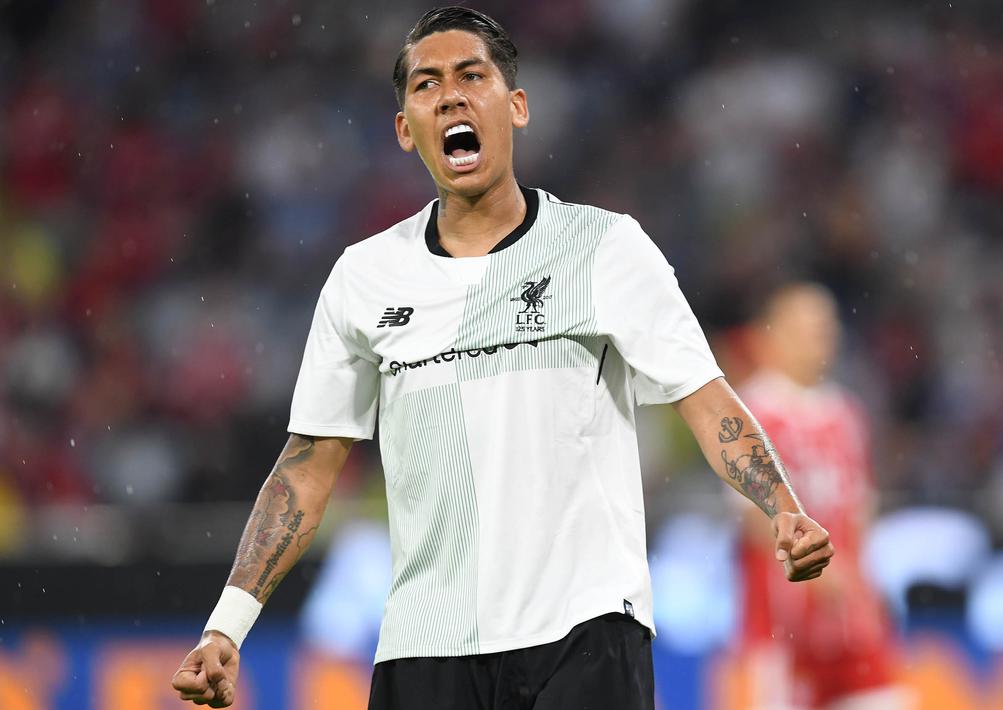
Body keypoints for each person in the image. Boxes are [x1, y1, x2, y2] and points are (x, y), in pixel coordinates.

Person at [170, 7, 833, 709]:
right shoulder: (363, 279)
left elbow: (704, 400)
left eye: (471, 76)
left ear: (515, 107)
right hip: (425, 649)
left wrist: (781, 507)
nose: (451, 95)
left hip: (584, 631)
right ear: (404, 130)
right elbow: (306, 470)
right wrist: (227, 627)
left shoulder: (605, 248)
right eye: (426, 85)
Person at [720, 283, 906, 710]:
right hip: (781, 625)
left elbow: (859, 510)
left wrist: (864, 585)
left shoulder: (846, 413)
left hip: (849, 623)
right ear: (773, 335)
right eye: (806, 327)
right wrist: (815, 569)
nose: (820, 337)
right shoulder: (751, 411)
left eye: (825, 326)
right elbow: (750, 516)